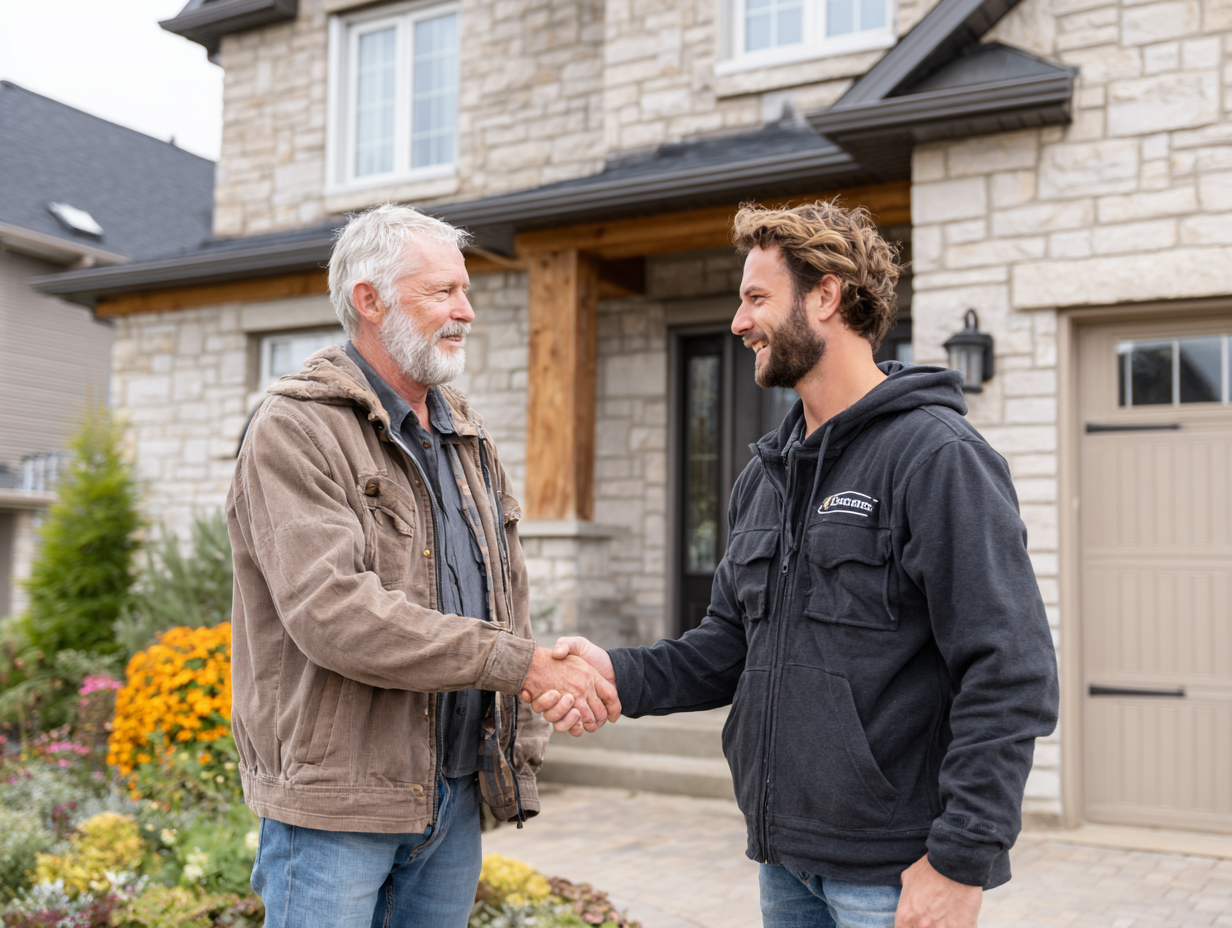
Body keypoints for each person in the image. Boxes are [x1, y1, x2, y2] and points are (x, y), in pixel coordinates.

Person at [529, 201, 1059, 928]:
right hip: (785, 860)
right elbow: (725, 647)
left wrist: (961, 860)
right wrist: (614, 673)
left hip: (894, 873)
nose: (739, 323)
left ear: (827, 295)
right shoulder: (767, 476)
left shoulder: (937, 458)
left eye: (755, 298)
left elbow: (1010, 672)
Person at [226, 204, 620, 928]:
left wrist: (526, 727)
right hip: (336, 806)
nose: (465, 312)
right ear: (368, 301)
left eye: (464, 291)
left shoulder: (464, 435)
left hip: (452, 795)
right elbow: (334, 613)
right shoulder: (295, 428)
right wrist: (521, 665)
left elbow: (507, 593)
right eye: (442, 292)